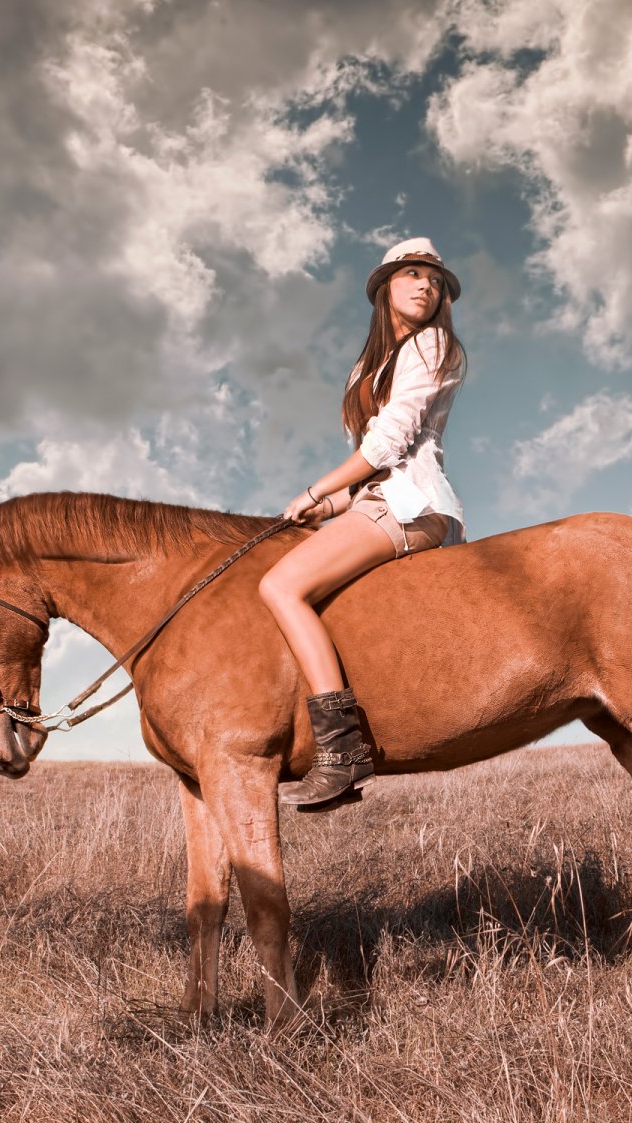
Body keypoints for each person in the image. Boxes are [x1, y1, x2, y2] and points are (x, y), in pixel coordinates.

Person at [258, 237, 469, 811]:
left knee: (280, 585)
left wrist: (316, 487)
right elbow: (364, 478)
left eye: (434, 278)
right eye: (413, 275)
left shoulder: (432, 343)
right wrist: (320, 506)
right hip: (376, 500)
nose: (426, 285)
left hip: (410, 504)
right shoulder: (369, 365)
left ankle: (340, 749)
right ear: (386, 289)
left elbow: (389, 445)